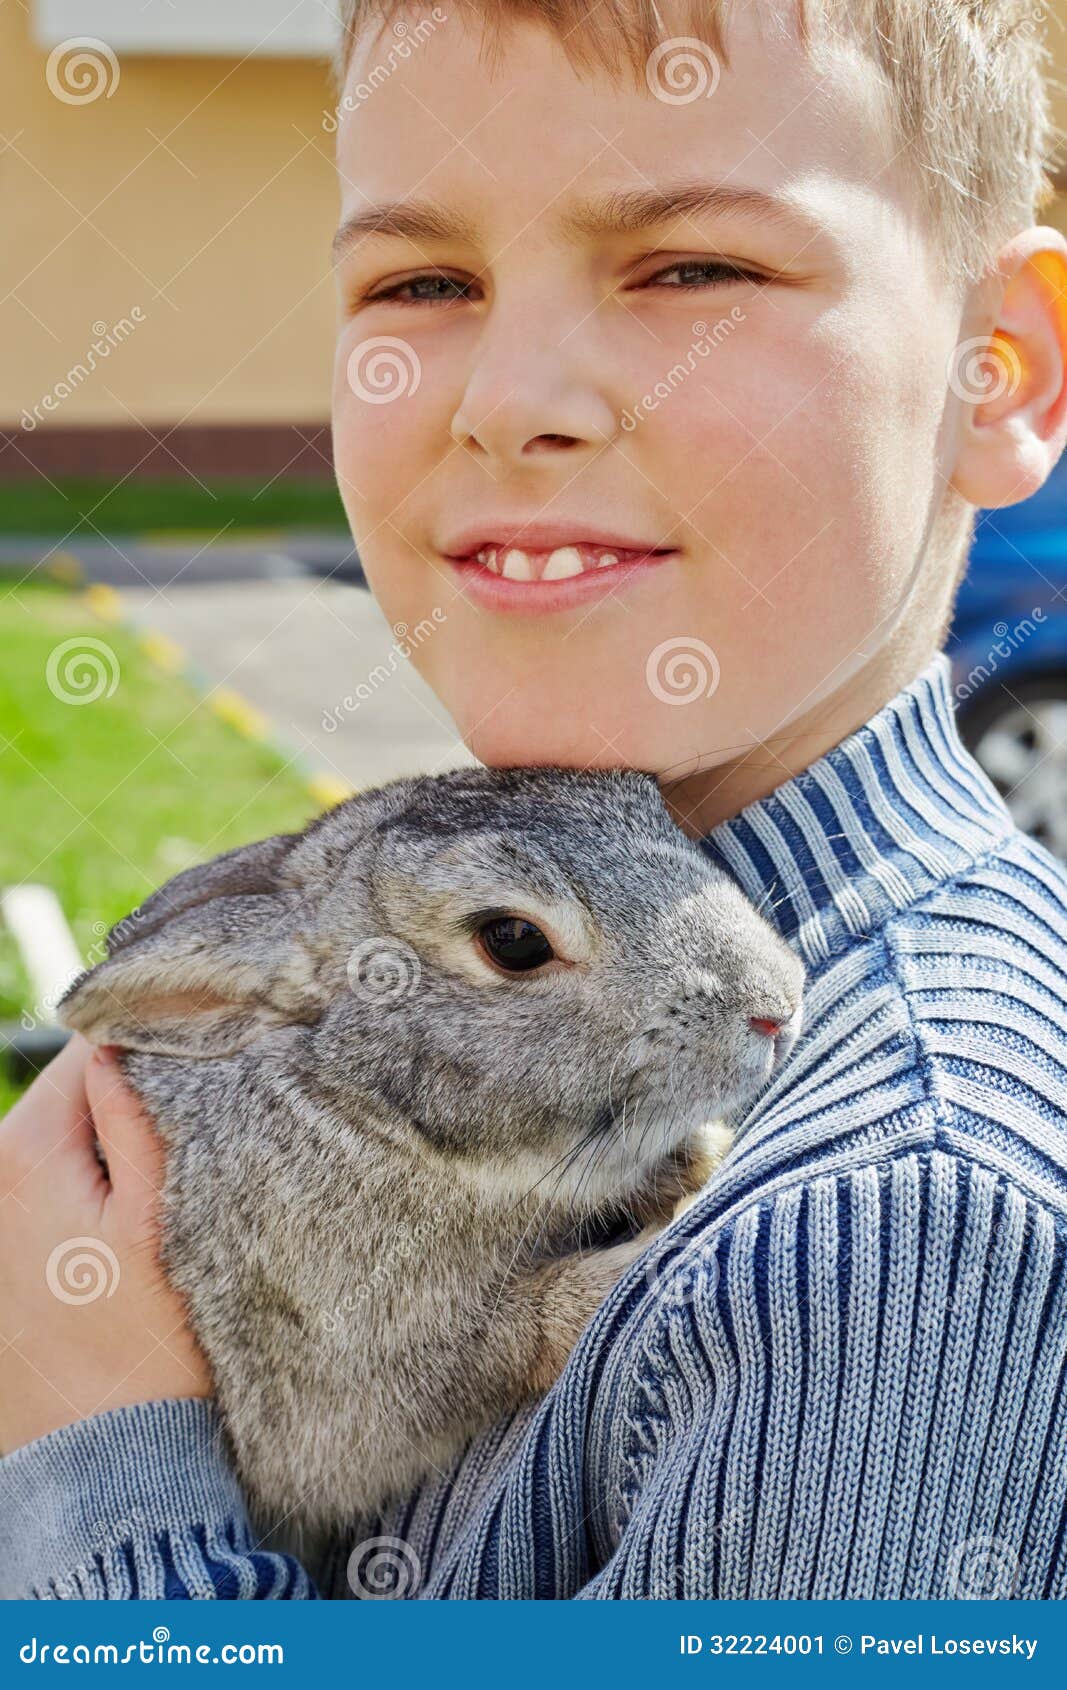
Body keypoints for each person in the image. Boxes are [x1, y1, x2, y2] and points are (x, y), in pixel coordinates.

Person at [3, 0, 1067, 1600]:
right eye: (425, 282)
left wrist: (100, 1466)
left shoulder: (893, 1234)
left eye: (691, 269)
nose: (512, 399)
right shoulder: (485, 904)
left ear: (1002, 371)